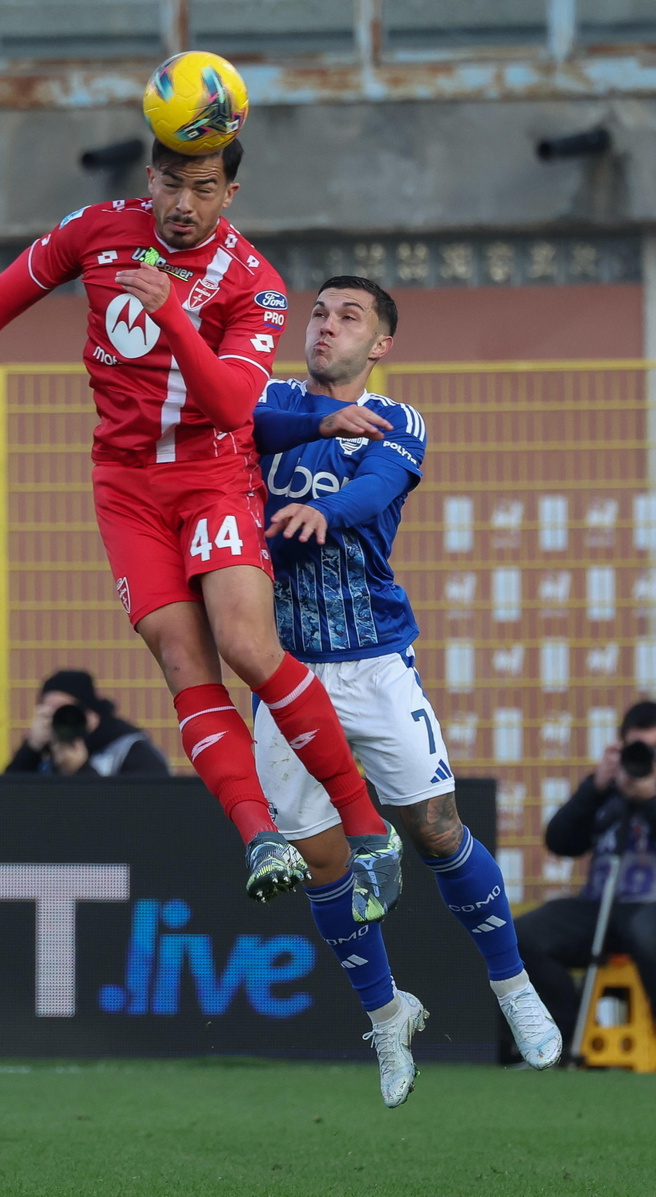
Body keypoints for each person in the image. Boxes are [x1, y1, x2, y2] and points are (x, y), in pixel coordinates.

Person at [0, 138, 401, 913]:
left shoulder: (254, 285)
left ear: (228, 193)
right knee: (181, 659)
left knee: (245, 644)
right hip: (127, 485)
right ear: (149, 178)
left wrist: (173, 315)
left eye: (203, 188)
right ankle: (259, 835)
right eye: (171, 183)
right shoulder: (97, 229)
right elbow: (0, 297)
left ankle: (369, 826)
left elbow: (234, 407)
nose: (182, 204)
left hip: (211, 475)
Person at [249, 274, 563, 1102]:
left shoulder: (400, 419)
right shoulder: (268, 405)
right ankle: (388, 1016)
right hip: (281, 667)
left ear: (379, 344)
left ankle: (511, 984)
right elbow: (227, 432)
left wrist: (331, 511)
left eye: (348, 316)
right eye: (318, 312)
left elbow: (379, 488)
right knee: (321, 858)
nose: (326, 326)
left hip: (374, 659)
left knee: (433, 828)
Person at [515, 700, 656, 1059]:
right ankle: (567, 1037)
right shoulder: (607, 788)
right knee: (521, 938)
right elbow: (560, 841)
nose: (646, 758)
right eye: (639, 748)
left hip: (651, 909)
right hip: (599, 906)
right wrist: (596, 786)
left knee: (646, 932)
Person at [5, 668, 170, 777]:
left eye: (65, 711)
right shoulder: (46, 752)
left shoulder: (130, 750)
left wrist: (80, 769)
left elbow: (137, 811)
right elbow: (8, 801)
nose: (59, 718)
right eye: (50, 713)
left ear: (90, 712)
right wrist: (31, 749)